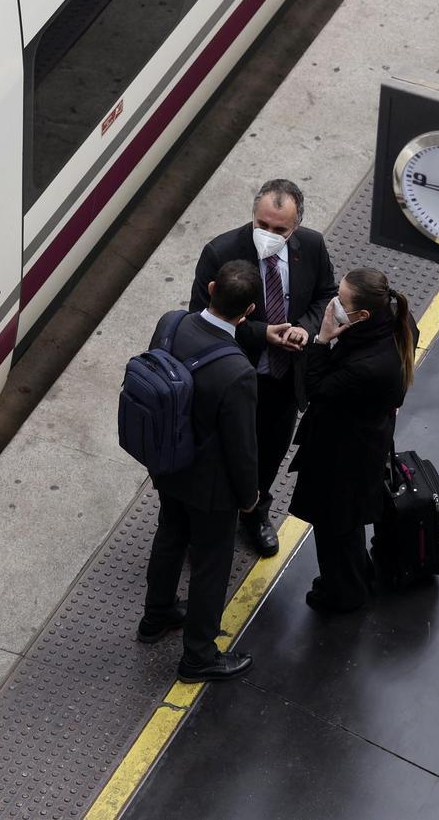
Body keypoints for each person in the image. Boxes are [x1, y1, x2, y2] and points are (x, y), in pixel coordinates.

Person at [189, 179, 337, 558]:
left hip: (285, 378)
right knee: (221, 453)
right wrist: (262, 334)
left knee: (270, 451)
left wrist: (303, 329)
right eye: (262, 226)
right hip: (235, 378)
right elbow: (201, 319)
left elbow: (325, 294)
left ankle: (254, 513)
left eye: (280, 230)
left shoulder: (314, 247)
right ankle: (205, 523)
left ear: (297, 226)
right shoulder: (221, 252)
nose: (269, 235)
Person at [140, 260, 260, 682]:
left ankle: (155, 617)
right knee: (211, 564)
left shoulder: (171, 324)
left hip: (166, 462)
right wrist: (250, 497)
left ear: (210, 289)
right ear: (248, 312)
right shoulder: (238, 372)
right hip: (210, 488)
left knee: (170, 534)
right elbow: (242, 447)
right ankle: (198, 657)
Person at [288, 268, 418, 612]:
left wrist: (322, 339)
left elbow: (316, 390)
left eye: (341, 301)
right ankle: (356, 575)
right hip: (366, 444)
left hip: (342, 457)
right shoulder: (398, 323)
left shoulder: (367, 367)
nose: (334, 306)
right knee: (345, 524)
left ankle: (343, 594)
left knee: (333, 528)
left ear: (362, 314)